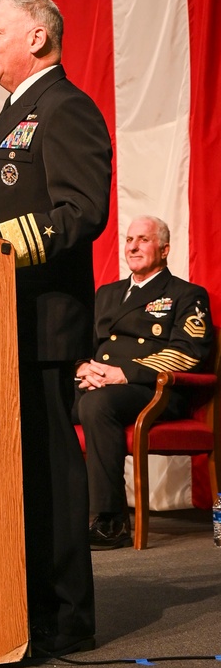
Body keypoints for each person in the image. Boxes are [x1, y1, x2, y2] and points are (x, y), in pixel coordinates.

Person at [0, 0, 112, 657]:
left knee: (50, 465)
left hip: (43, 319)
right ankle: (30, 601)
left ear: (40, 38)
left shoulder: (65, 107)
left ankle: (69, 612)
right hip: (3, 318)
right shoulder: (19, 112)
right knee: (19, 468)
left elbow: (82, 211)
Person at [76, 216, 214, 549]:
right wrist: (82, 368)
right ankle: (47, 513)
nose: (133, 246)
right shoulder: (107, 293)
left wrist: (125, 373)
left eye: (144, 240)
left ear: (165, 250)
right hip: (101, 383)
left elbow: (188, 351)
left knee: (97, 405)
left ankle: (110, 522)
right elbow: (82, 343)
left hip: (155, 391)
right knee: (40, 399)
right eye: (129, 239)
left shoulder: (186, 294)